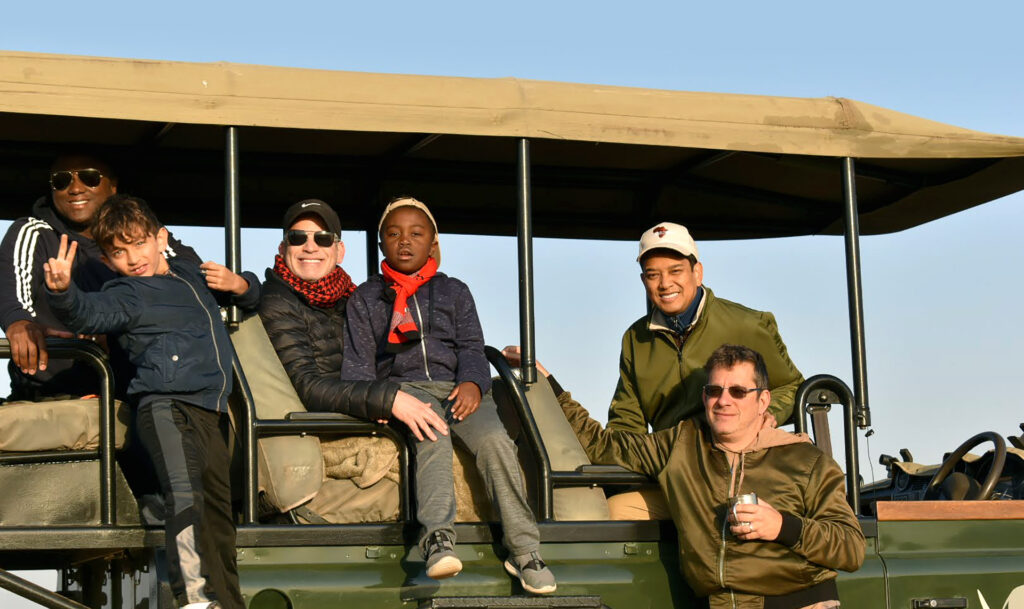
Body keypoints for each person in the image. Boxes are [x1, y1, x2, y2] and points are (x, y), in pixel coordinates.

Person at [43, 194, 259, 609]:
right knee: (186, 498)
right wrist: (63, 292)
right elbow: (89, 313)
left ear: (161, 239)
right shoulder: (127, 292)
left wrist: (241, 284)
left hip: (209, 410)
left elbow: (252, 296)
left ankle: (227, 601)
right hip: (165, 406)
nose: (132, 258)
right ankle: (195, 597)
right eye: (118, 252)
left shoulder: (190, 275)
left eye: (138, 243)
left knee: (218, 519)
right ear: (108, 260)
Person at [509, 221, 804, 520]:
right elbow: (627, 424)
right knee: (607, 515)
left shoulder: (748, 324)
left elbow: (793, 388)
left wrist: (767, 415)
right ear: (643, 280)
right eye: (653, 275)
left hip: (742, 470)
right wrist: (549, 385)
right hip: (675, 472)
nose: (665, 284)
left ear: (697, 272)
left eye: (675, 271)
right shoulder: (635, 339)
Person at [342, 197, 556, 594]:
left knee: (495, 442)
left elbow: (473, 347)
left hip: (459, 388)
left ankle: (525, 551)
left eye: (416, 234)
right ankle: (438, 540)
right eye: (394, 234)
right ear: (380, 243)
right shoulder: (366, 298)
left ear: (433, 242)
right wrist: (379, 401)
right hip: (405, 390)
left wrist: (475, 383)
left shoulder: (454, 291)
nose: (404, 241)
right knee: (433, 436)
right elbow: (358, 368)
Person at [557, 344, 864, 609]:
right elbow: (600, 444)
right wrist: (550, 386)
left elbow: (851, 548)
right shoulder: (680, 445)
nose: (724, 400)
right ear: (704, 398)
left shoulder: (805, 460)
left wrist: (783, 526)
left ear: (763, 400)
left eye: (739, 391)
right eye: (714, 390)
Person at [0, 152, 198, 401]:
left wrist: (244, 287)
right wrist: (19, 323)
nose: (75, 188)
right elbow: (12, 294)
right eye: (61, 181)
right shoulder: (33, 232)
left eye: (89, 178)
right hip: (56, 393)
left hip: (140, 389)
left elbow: (190, 277)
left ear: (112, 186)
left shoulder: (141, 231)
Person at [258, 199, 448, 441]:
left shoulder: (354, 297)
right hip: (319, 426)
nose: (310, 247)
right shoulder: (277, 301)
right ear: (283, 249)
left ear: (340, 251)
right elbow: (307, 386)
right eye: (297, 238)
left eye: (323, 238)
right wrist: (388, 399)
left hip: (361, 409)